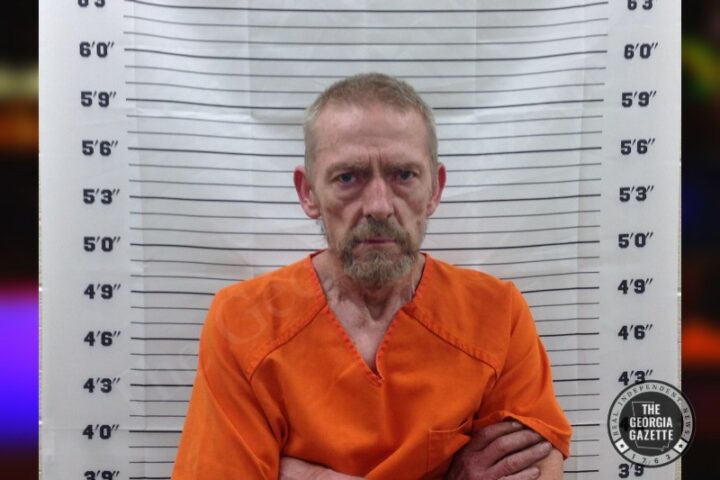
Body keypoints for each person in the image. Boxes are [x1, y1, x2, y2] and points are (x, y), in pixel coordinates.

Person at [172, 73, 571, 479]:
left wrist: (306, 475)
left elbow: (538, 468)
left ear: (435, 189)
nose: (379, 206)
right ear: (308, 192)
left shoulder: (496, 316)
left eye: (403, 175)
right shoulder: (242, 322)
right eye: (348, 177)